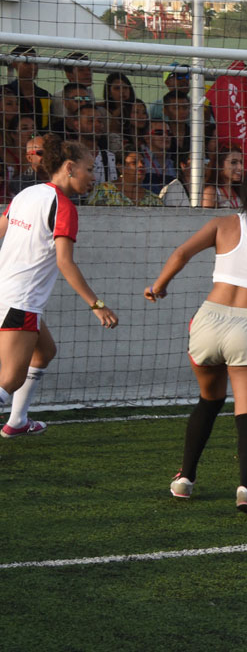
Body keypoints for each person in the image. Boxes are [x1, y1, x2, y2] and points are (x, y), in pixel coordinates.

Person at [145, 157, 247, 518]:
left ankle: (185, 478)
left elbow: (182, 252)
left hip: (207, 321)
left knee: (208, 400)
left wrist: (159, 285)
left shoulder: (221, 224)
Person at [0, 135, 118, 438]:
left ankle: (17, 421)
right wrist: (97, 305)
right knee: (9, 380)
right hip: (21, 301)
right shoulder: (63, 206)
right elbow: (65, 263)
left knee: (44, 353)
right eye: (89, 169)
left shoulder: (27, 194)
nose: (94, 177)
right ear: (69, 167)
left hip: (7, 294)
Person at [87, 148, 163, 206]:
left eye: (143, 163)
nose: (141, 165)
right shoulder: (103, 192)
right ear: (120, 166)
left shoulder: (153, 199)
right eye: (134, 162)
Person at [4, 46, 51, 130]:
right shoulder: (4, 92)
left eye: (35, 63)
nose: (33, 67)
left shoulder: (45, 95)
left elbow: (47, 125)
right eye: (27, 62)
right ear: (14, 63)